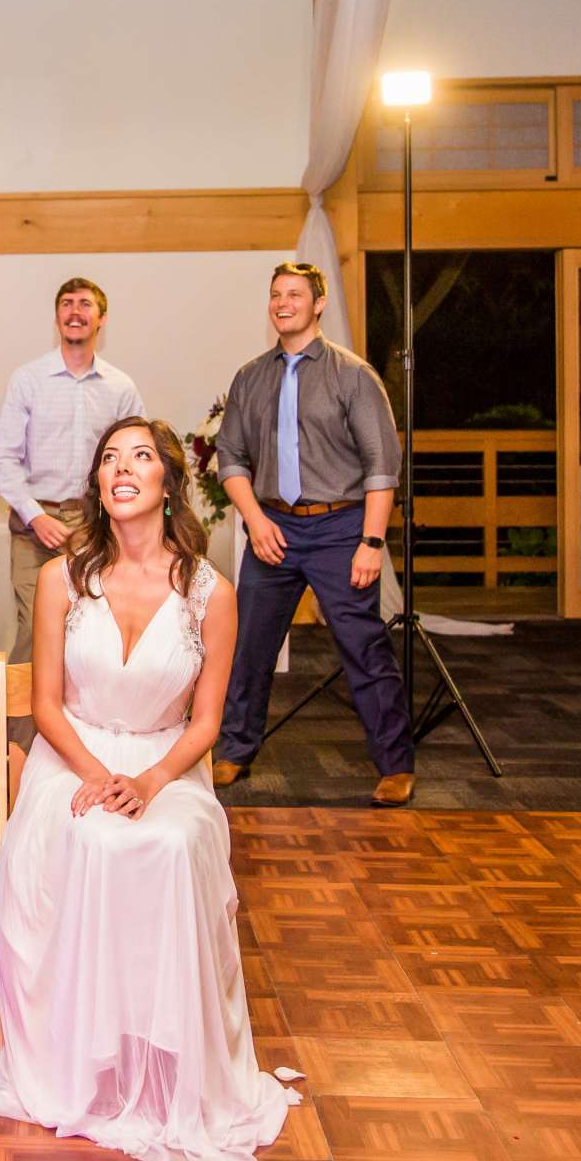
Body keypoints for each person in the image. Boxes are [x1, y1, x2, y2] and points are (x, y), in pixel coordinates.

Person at [0, 416, 297, 1161]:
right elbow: (43, 703)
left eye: (139, 456)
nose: (121, 468)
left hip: (165, 761)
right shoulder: (60, 576)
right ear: (99, 487)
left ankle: (167, 1053)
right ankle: (87, 1057)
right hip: (69, 752)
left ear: (169, 482)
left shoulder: (213, 593)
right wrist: (92, 773)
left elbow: (208, 722)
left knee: (172, 843)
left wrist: (147, 781)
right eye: (109, 458)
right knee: (92, 837)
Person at [212, 263, 413, 805]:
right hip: (271, 526)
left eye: (294, 294)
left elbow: (380, 466)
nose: (282, 302)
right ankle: (233, 752)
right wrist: (255, 520)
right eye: (275, 294)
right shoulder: (250, 377)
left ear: (318, 303)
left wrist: (371, 543)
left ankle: (395, 764)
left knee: (362, 646)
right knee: (249, 646)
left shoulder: (353, 375)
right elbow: (229, 456)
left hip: (341, 529)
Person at [0, 277, 144, 656]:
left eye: (85, 304)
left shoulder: (120, 387)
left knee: (93, 630)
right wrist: (35, 516)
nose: (75, 311)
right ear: (57, 316)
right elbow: (3, 456)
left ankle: (80, 717)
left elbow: (138, 458)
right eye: (67, 303)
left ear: (101, 318)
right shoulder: (28, 380)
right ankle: (22, 718)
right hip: (33, 527)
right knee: (33, 628)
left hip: (95, 525)